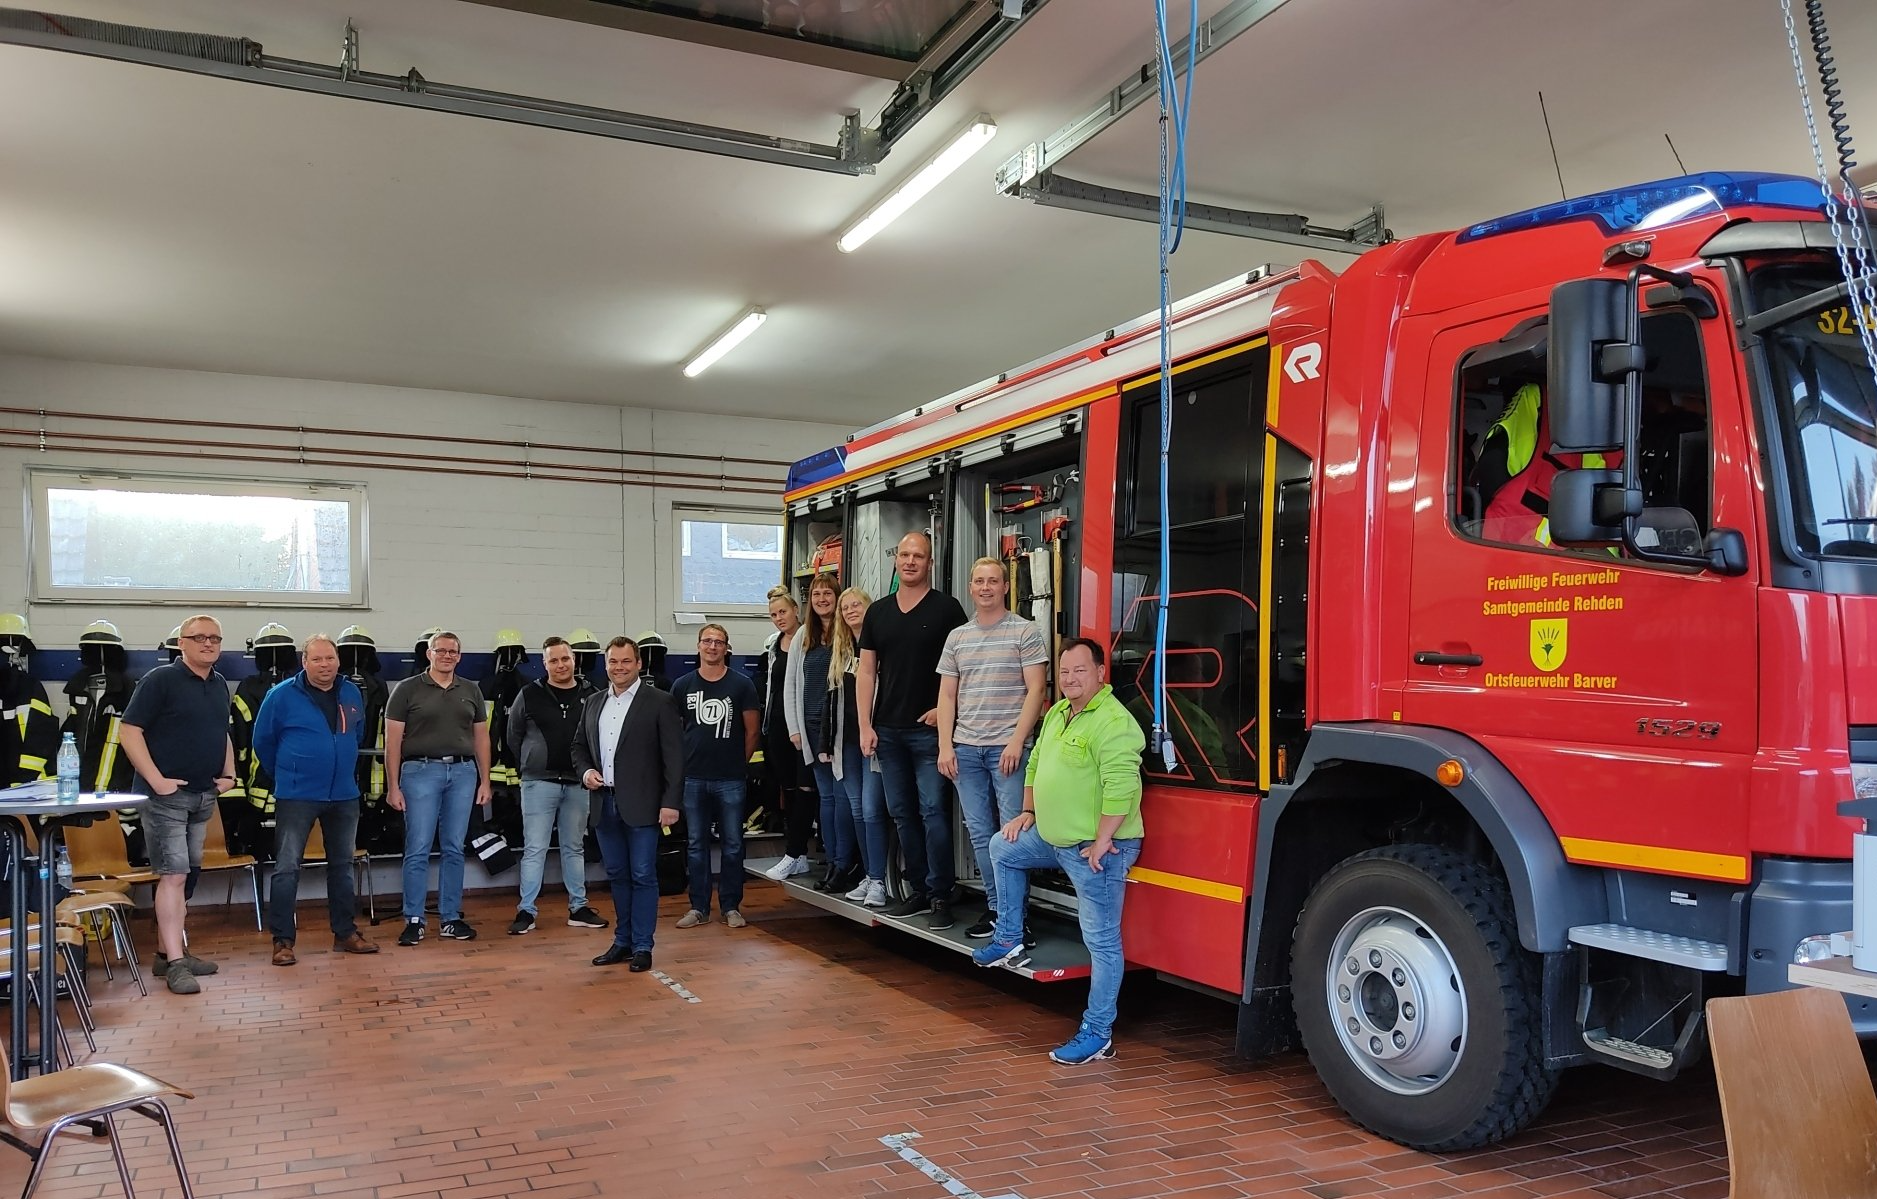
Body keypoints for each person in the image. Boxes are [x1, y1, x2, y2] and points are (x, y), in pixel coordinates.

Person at [972, 638, 1145, 1066]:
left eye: (1080, 670)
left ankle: (1098, 1034)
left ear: (1101, 673)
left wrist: (1103, 838)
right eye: (1064, 671)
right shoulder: (1057, 713)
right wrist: (1028, 811)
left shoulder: (1114, 722)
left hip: (1096, 849)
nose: (1070, 678)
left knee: (1102, 941)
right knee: (1003, 847)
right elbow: (1034, 765)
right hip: (1056, 838)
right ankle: (1009, 937)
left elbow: (1122, 785)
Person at [117, 613, 237, 995]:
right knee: (174, 876)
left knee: (187, 877)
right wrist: (156, 781)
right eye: (199, 637)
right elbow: (128, 730)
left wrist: (230, 773)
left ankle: (165, 953)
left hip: (203, 795)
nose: (208, 643)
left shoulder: (219, 684)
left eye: (215, 638)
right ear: (181, 643)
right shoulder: (160, 680)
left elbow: (222, 731)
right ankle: (175, 964)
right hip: (165, 798)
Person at [857, 531, 967, 927]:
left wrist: (944, 711)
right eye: (904, 555)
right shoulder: (878, 612)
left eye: (918, 556)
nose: (910, 561)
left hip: (928, 733)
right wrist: (865, 725)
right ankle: (918, 890)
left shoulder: (947, 610)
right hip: (887, 732)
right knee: (902, 814)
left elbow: (964, 666)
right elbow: (866, 672)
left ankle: (940, 895)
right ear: (896, 560)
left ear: (929, 563)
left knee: (934, 812)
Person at [938, 557, 1050, 939]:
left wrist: (1017, 741)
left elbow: (1037, 689)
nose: (985, 587)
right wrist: (945, 746)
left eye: (992, 581)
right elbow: (947, 696)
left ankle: (1017, 918)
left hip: (1008, 750)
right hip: (966, 750)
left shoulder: (1025, 632)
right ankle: (998, 911)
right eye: (979, 581)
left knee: (1012, 836)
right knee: (981, 835)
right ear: (971, 588)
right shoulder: (957, 638)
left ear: (1005, 587)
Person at [252, 634, 378, 965]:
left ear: (338, 661)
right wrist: (289, 774)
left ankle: (345, 933)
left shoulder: (351, 692)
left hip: (344, 795)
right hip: (297, 795)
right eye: (317, 659)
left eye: (330, 658)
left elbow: (357, 734)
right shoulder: (281, 695)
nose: (325, 665)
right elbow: (263, 742)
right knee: (287, 867)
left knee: (343, 867)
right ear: (304, 662)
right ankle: (282, 940)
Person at [572, 637, 683, 972]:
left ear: (638, 664)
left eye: (625, 661)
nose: (618, 668)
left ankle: (643, 946)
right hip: (603, 804)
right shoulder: (593, 702)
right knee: (617, 874)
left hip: (645, 805)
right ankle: (622, 941)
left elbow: (674, 757)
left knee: (643, 875)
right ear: (605, 664)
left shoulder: (660, 701)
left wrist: (671, 802)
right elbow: (578, 746)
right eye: (613, 662)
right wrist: (586, 772)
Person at [385, 630, 491, 946]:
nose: (446, 656)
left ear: (459, 656)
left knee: (454, 847)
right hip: (420, 772)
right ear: (429, 653)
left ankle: (450, 918)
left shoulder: (471, 690)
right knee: (418, 847)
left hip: (463, 773)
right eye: (440, 650)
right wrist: (393, 786)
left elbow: (481, 738)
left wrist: (485, 780)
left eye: (452, 651)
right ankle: (414, 920)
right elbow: (392, 743)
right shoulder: (407, 689)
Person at [505, 636, 609, 936]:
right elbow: (513, 736)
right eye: (553, 660)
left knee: (574, 848)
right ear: (544, 663)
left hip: (578, 783)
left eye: (565, 659)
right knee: (534, 849)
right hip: (538, 783)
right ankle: (526, 911)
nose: (560, 665)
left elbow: (600, 736)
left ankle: (579, 908)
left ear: (573, 660)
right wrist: (531, 764)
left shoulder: (592, 695)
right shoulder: (529, 694)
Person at [671, 624, 759, 928]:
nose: (712, 646)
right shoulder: (682, 685)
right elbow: (675, 732)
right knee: (696, 845)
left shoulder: (742, 685)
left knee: (733, 845)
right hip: (693, 778)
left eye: (718, 642)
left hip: (730, 779)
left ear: (726, 648)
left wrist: (737, 764)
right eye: (707, 641)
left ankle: (731, 906)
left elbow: (752, 732)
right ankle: (698, 907)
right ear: (698, 646)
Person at [782, 573, 860, 894]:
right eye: (816, 594)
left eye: (828, 593)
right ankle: (832, 862)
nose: (822, 599)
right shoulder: (803, 634)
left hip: (840, 729)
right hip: (811, 729)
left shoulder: (847, 633)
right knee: (825, 798)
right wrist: (794, 728)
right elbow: (790, 684)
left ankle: (845, 864)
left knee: (842, 798)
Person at [830, 586, 890, 908]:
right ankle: (868, 875)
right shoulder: (840, 650)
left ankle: (879, 880)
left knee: (871, 809)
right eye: (845, 607)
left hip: (874, 741)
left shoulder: (880, 645)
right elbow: (831, 702)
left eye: (857, 604)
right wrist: (827, 742)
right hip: (848, 742)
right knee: (856, 809)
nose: (851, 610)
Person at [758, 586, 818, 881]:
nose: (779, 618)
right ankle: (798, 855)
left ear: (796, 610)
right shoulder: (773, 645)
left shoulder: (810, 638)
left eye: (783, 612)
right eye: (773, 615)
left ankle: (795, 852)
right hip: (778, 725)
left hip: (803, 724)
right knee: (789, 790)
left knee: (807, 788)